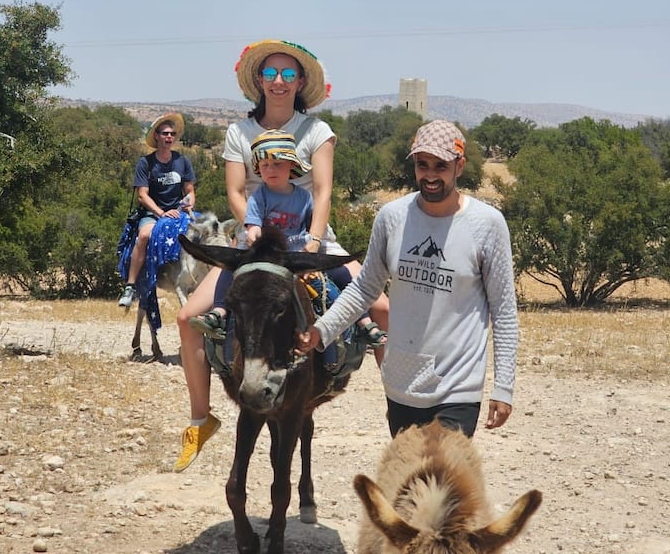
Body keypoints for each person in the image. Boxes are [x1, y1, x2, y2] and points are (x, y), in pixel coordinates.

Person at [174, 39, 389, 473]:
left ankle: (397, 408)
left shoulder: (317, 131)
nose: (278, 81)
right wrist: (257, 234)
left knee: (382, 306)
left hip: (312, 239)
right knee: (186, 320)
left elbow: (323, 190)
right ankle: (201, 417)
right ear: (258, 80)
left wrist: (312, 240)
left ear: (302, 82)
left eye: (288, 74)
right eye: (270, 74)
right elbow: (237, 192)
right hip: (255, 243)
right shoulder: (239, 132)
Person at [296, 119, 518, 440]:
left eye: (440, 166)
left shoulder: (487, 224)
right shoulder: (392, 217)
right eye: (422, 164)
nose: (429, 175)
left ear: (460, 166)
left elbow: (504, 311)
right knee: (409, 481)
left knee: (441, 481)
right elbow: (365, 288)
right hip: (401, 382)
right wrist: (322, 331)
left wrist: (504, 387)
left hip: (457, 386)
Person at [189, 129, 383, 352]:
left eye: (277, 164)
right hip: (266, 252)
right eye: (265, 165)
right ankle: (219, 312)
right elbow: (252, 225)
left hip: (295, 252)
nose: (271, 170)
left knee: (342, 273)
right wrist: (254, 234)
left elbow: (311, 226)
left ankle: (365, 323)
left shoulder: (303, 197)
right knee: (228, 272)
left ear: (291, 165)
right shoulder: (258, 196)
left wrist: (313, 245)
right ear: (258, 169)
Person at [118, 113, 196, 308]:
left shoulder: (182, 161)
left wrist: (189, 203)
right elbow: (142, 195)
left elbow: (189, 190)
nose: (169, 137)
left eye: (172, 134)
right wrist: (161, 213)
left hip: (178, 212)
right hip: (153, 214)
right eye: (165, 133)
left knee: (207, 232)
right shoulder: (146, 163)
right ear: (156, 136)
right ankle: (130, 285)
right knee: (144, 236)